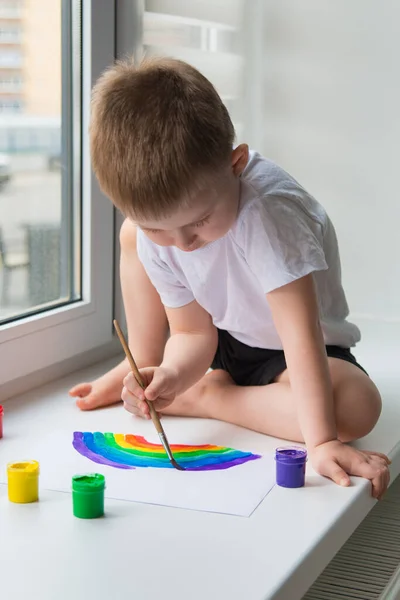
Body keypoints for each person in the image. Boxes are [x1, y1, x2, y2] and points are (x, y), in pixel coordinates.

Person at [69, 57, 390, 499]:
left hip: (296, 352)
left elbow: (300, 338)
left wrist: (321, 442)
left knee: (357, 408)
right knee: (135, 241)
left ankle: (209, 398)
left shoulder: (268, 215)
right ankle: (157, 372)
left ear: (236, 163)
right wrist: (177, 373)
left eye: (199, 221)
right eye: (157, 227)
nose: (182, 243)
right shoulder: (161, 232)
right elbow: (190, 332)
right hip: (223, 338)